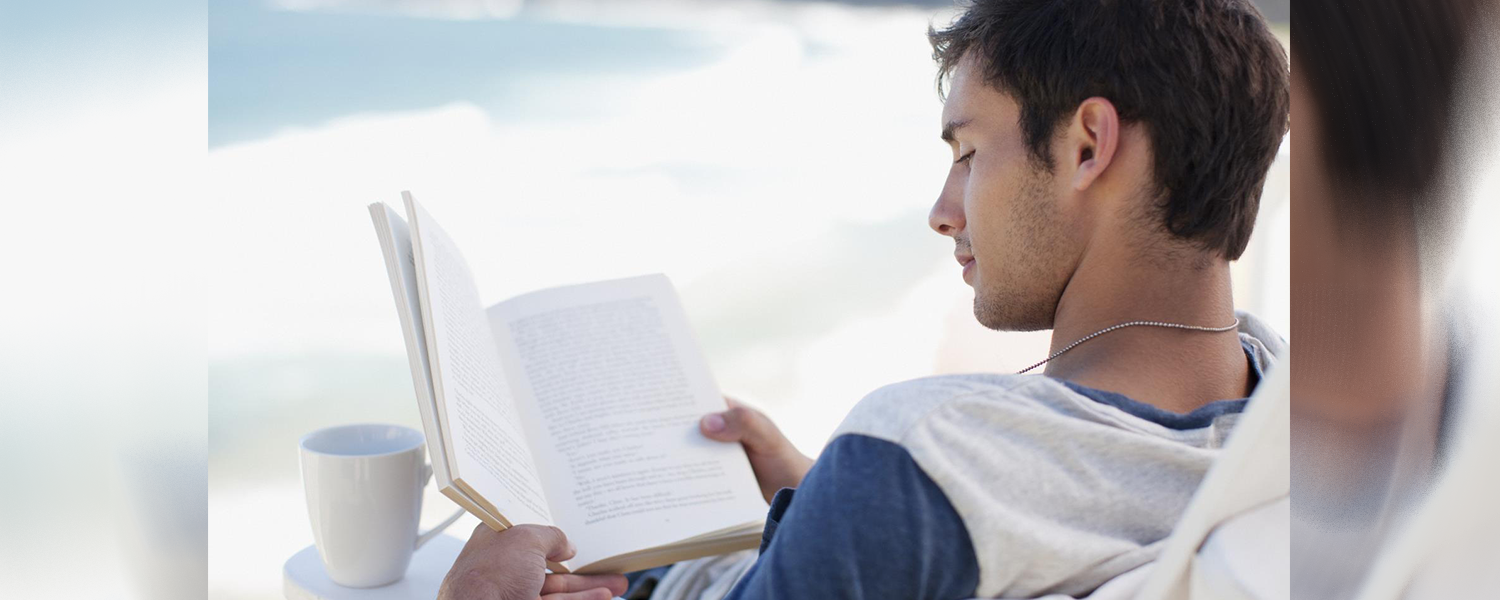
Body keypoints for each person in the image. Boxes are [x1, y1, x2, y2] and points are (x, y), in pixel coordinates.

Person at [441, 0, 1290, 597]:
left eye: (967, 152)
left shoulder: (916, 455)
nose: (942, 210)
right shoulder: (1294, 414)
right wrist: (823, 491)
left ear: (1086, 146)